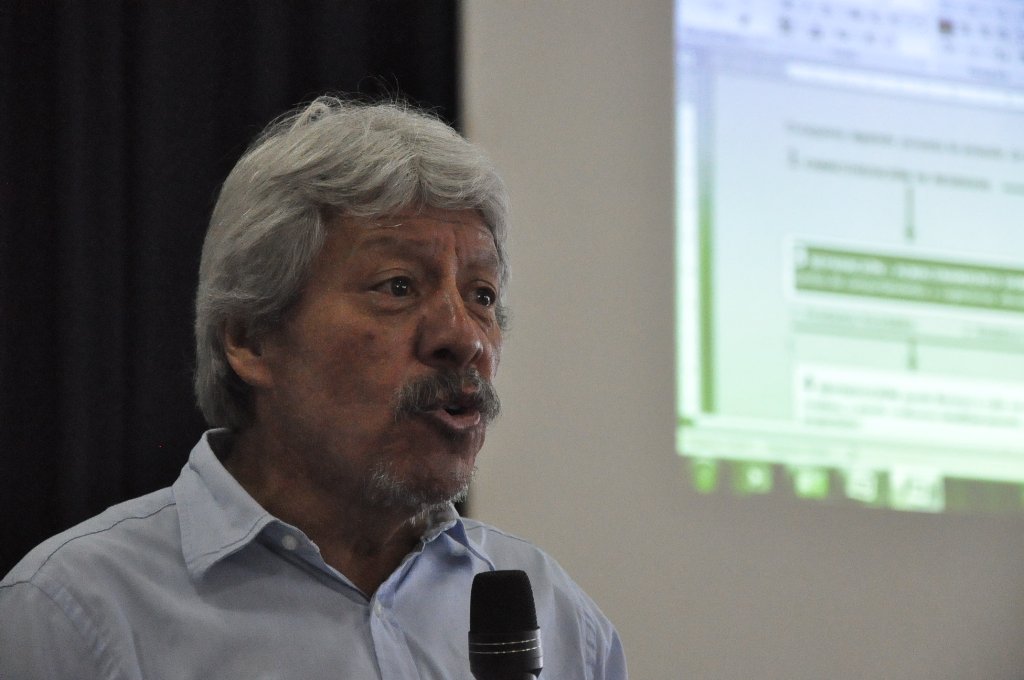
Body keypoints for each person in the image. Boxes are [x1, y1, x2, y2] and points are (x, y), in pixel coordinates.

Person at [0, 97, 627, 679]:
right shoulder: (76, 615)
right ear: (251, 339)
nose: (463, 337)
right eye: (398, 286)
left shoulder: (562, 621)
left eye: (482, 295)